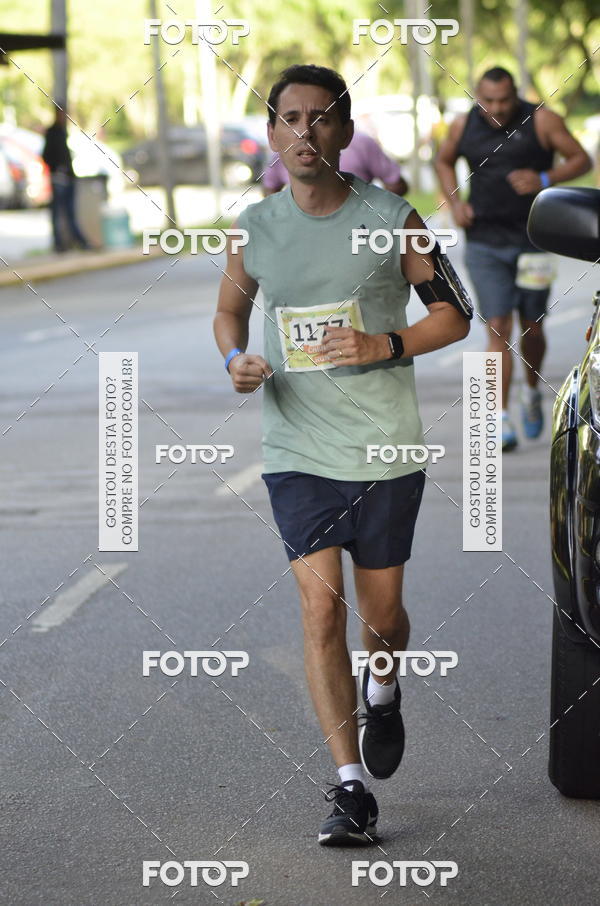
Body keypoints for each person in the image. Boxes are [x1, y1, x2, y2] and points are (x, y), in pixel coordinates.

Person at [213, 64, 472, 846]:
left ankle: (383, 684)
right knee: (322, 608)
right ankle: (350, 786)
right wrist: (235, 361)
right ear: (272, 134)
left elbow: (455, 315)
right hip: (296, 448)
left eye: (321, 117)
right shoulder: (253, 226)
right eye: (290, 118)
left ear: (345, 131)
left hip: (385, 449)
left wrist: (379, 344)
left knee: (381, 617)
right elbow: (229, 313)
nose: (305, 131)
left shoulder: (393, 217)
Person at [435, 67, 591, 450]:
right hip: (485, 242)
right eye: (488, 101)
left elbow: (581, 159)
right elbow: (442, 161)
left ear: (515, 94)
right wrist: (454, 203)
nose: (497, 108)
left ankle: (532, 391)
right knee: (498, 327)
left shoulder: (542, 120)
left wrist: (544, 179)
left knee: (532, 329)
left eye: (504, 100)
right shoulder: (462, 125)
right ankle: (499, 419)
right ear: (477, 97)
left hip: (534, 240)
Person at [262, 128, 409, 196]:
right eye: (292, 119)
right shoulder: (282, 151)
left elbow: (397, 184)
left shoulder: (361, 143)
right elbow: (269, 188)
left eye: (322, 119)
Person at [42, 108, 91, 253]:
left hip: (69, 178)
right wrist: (57, 169)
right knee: (58, 213)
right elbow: (46, 155)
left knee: (70, 212)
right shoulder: (52, 133)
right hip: (58, 179)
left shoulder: (64, 132)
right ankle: (60, 244)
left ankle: (79, 241)